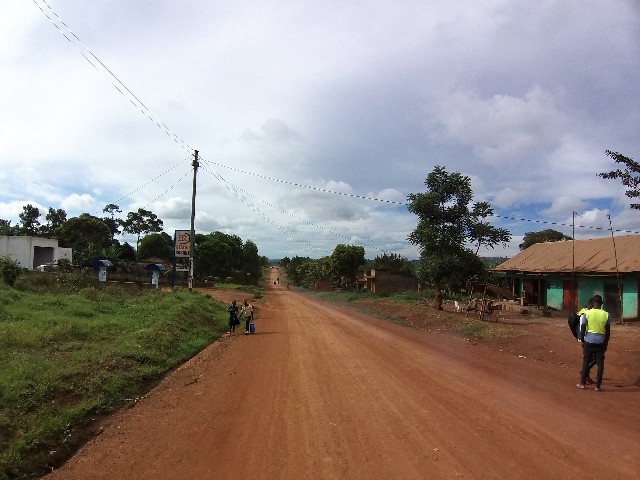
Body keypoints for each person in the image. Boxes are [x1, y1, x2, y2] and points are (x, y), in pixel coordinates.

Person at [577, 295, 610, 391]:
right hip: (600, 342)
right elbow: (608, 332)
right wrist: (605, 344)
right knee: (600, 364)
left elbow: (583, 328)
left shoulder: (586, 314)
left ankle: (582, 383)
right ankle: (598, 386)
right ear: (602, 303)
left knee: (586, 361)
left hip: (588, 340)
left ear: (593, 303)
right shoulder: (606, 315)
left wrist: (582, 340)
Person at [572, 298, 596, 384]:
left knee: (589, 357)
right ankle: (582, 373)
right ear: (592, 305)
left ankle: (586, 376)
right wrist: (582, 339)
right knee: (594, 358)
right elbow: (582, 327)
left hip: (587, 338)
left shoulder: (583, 311)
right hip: (587, 339)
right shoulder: (585, 313)